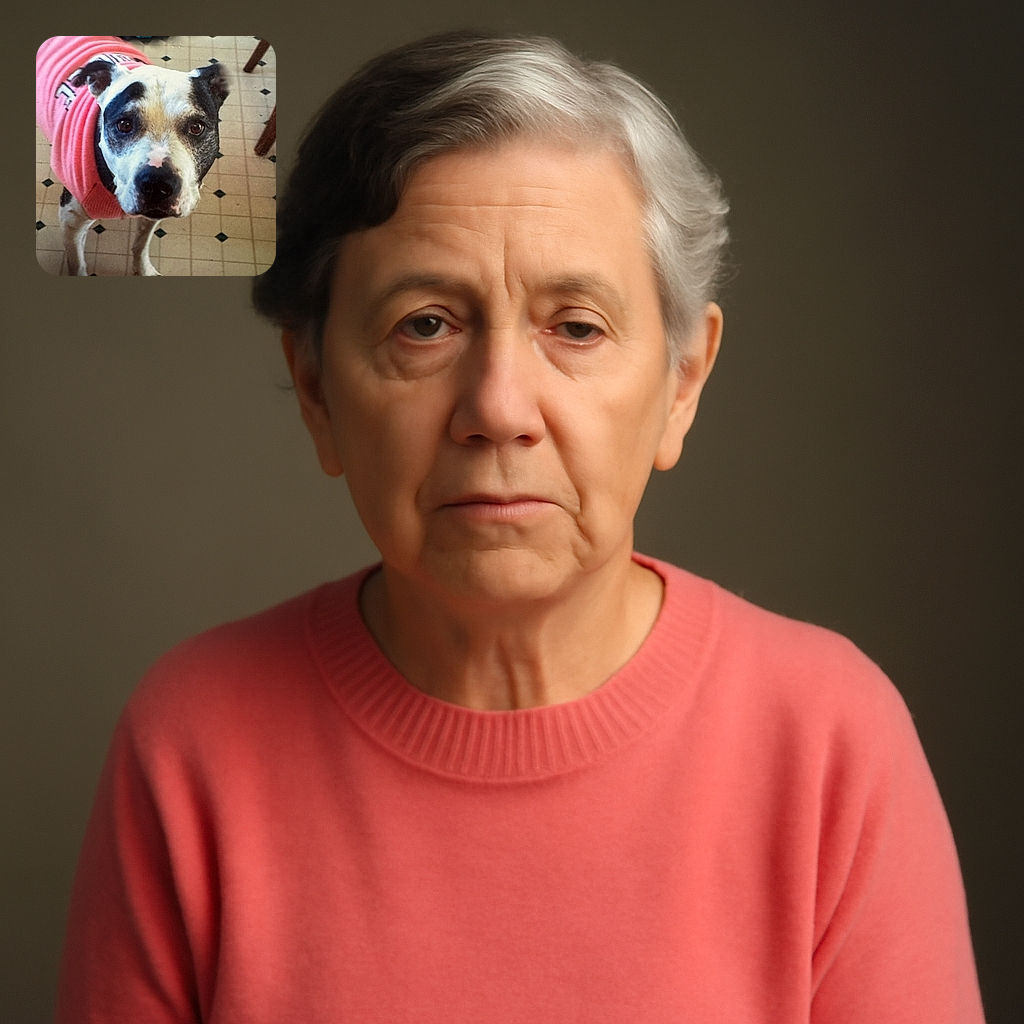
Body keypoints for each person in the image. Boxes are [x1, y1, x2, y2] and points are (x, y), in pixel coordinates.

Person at [55, 30, 985, 1022]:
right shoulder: (193, 744)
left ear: (681, 382)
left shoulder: (832, 741)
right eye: (424, 324)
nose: (498, 406)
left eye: (575, 327)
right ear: (315, 386)